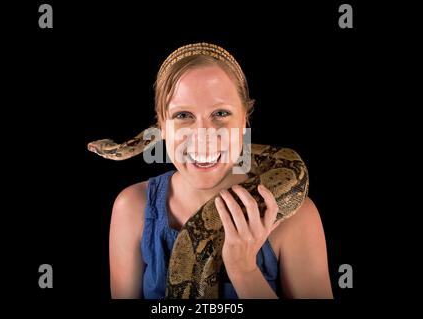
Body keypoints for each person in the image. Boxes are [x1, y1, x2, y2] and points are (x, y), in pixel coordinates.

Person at [109, 43, 333, 299]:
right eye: (183, 115)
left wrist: (244, 270)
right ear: (160, 124)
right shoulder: (132, 209)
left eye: (221, 113)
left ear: (244, 117)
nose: (202, 137)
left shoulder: (297, 219)